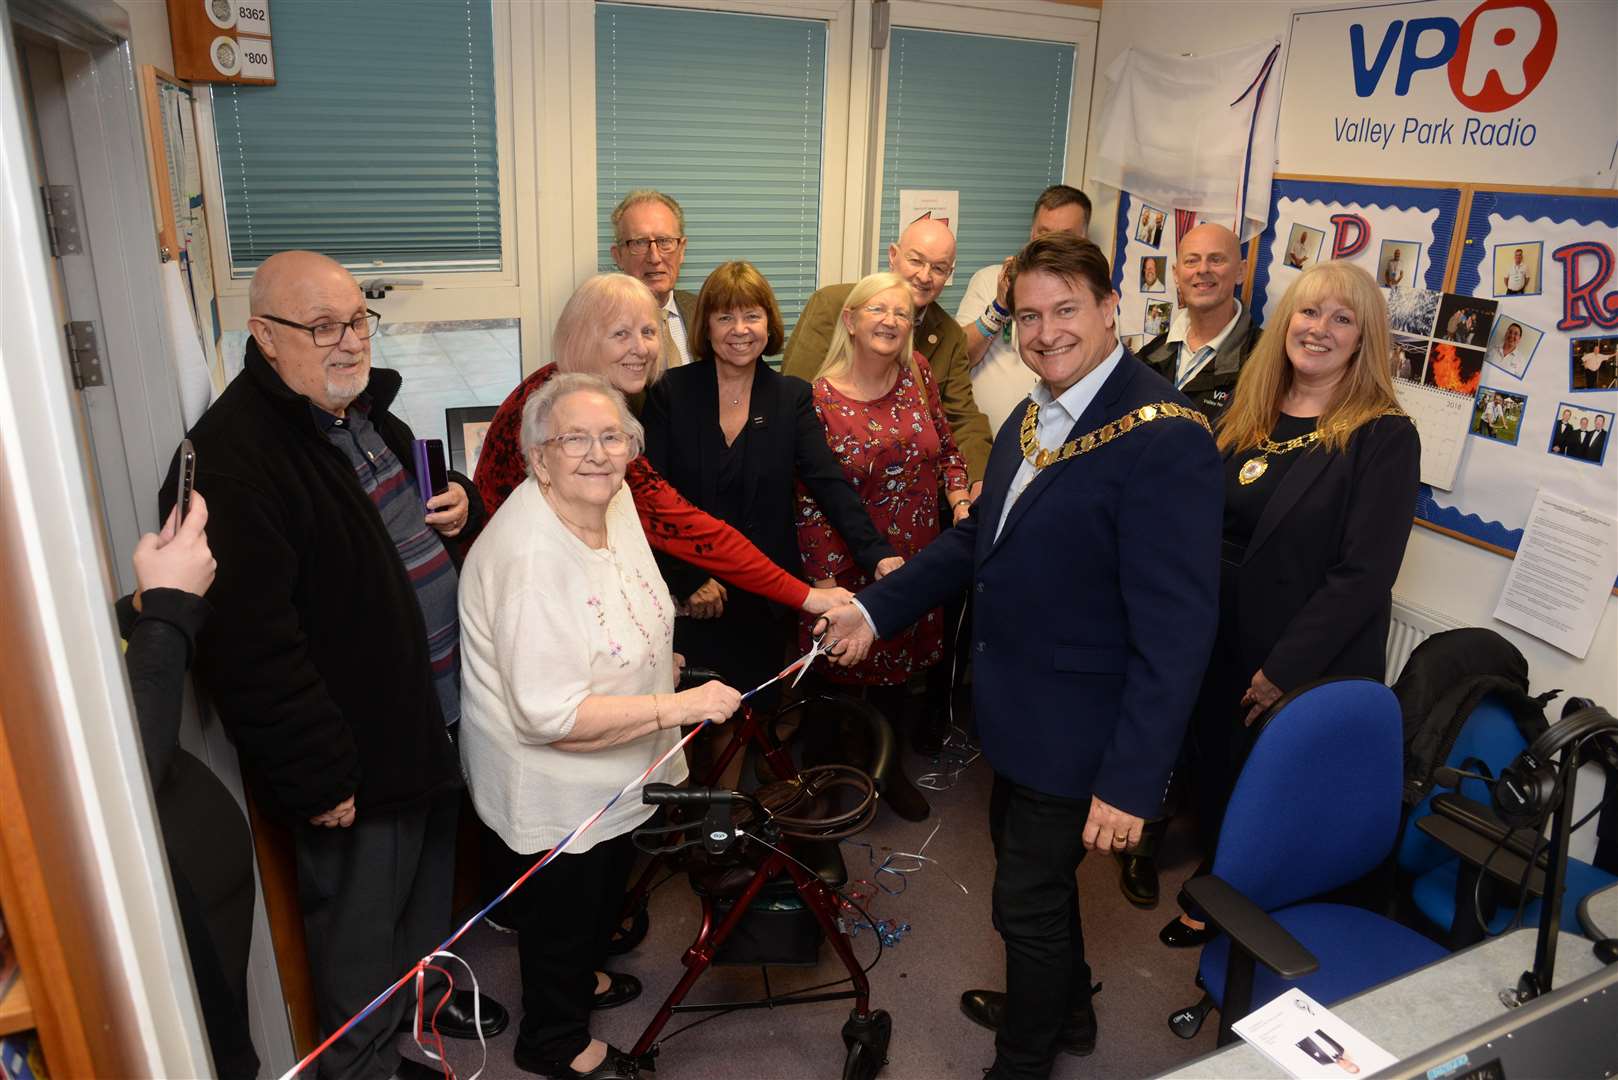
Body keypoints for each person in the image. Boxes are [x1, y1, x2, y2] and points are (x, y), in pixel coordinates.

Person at [816, 235, 1223, 1078]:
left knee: (1025, 900)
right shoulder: (1038, 412)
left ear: (1113, 309)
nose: (1045, 332)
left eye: (1065, 310)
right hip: (1019, 711)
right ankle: (1063, 1005)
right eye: (1029, 315)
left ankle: (1025, 1059)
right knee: (1029, 885)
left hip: (1083, 730)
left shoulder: (1164, 435)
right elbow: (975, 541)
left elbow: (1178, 630)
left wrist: (1132, 780)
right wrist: (871, 609)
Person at [162, 250, 506, 1080]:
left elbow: (383, 539)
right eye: (321, 327)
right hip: (355, 765)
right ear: (264, 337)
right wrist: (319, 777)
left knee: (422, 930)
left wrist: (460, 498)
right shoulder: (234, 459)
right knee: (358, 965)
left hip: (427, 732)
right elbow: (248, 647)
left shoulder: (360, 417)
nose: (349, 342)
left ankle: (404, 1054)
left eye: (357, 320)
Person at [460, 374, 743, 1080]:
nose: (596, 454)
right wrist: (679, 705)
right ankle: (553, 1042)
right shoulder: (530, 558)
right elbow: (551, 716)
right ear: (537, 459)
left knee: (599, 896)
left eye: (611, 437)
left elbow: (623, 597)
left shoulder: (610, 503)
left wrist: (656, 656)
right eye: (573, 440)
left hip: (619, 761)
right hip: (557, 781)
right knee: (564, 911)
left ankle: (580, 979)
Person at [1159, 260, 1420, 952]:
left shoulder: (1383, 435)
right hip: (1218, 636)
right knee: (1216, 771)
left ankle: (1235, 902)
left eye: (1342, 319)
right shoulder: (1249, 410)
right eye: (1308, 313)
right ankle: (1222, 879)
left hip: (1297, 654)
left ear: (1364, 340)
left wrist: (1283, 667)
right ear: (1284, 324)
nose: (1320, 330)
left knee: (1269, 790)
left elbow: (1364, 574)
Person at [472, 273, 850, 620]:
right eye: (621, 334)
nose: (641, 349)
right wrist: (806, 596)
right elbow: (683, 524)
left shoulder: (578, 391)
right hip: (522, 599)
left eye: (649, 332)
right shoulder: (571, 411)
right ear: (584, 337)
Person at [642, 261, 899, 703]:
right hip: (686, 595)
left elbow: (828, 482)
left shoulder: (791, 397)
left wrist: (877, 554)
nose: (739, 330)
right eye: (725, 317)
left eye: (752, 316)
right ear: (706, 324)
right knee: (686, 718)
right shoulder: (669, 391)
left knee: (746, 714)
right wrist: (686, 580)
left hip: (762, 594)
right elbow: (650, 498)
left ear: (769, 323)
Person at [797, 270, 971, 821]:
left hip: (916, 554)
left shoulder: (918, 375)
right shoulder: (816, 399)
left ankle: (887, 769)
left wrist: (961, 495)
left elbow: (945, 445)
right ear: (850, 320)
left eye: (901, 313)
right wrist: (825, 578)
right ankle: (823, 777)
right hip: (842, 558)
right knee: (837, 675)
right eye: (878, 309)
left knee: (898, 672)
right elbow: (806, 497)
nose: (891, 320)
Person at [1125, 222, 1264, 904]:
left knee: (1198, 706)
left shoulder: (1267, 360)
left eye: (1217, 260)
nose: (1203, 271)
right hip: (1142, 552)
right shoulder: (1151, 354)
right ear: (1175, 273)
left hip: (1216, 559)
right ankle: (1134, 829)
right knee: (1146, 692)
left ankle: (1183, 847)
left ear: (1240, 270)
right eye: (1191, 261)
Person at [119, 493, 258, 1079]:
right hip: (149, 918)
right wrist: (169, 610)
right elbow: (125, 770)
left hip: (199, 895)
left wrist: (143, 607)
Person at [783, 217, 993, 494]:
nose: (924, 276)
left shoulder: (949, 336)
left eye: (938, 268)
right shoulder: (834, 306)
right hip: (835, 488)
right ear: (893, 256)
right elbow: (795, 402)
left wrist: (978, 482)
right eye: (916, 261)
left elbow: (963, 418)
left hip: (910, 496)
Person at [956, 185, 1091, 431]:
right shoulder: (989, 279)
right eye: (1044, 232)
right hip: (986, 445)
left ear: (1083, 239)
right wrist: (999, 307)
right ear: (1032, 233)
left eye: (1065, 235)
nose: (1052, 244)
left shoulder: (1092, 298)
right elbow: (957, 357)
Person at [609, 189, 696, 369]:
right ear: (618, 256)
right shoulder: (602, 324)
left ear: (682, 250)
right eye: (639, 242)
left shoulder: (703, 312)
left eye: (665, 241)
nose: (654, 258)